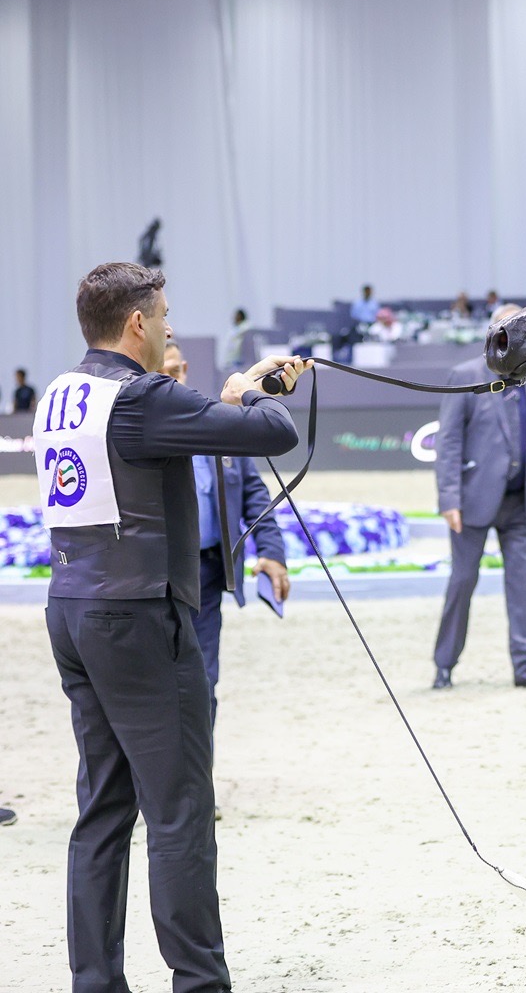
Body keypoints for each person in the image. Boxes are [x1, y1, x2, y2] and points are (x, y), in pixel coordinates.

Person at [38, 261, 309, 993]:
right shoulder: (141, 397)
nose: (167, 330)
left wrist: (224, 396)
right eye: (163, 318)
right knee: (180, 813)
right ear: (136, 323)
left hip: (72, 608)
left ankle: (95, 981)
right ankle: (199, 983)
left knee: (101, 811)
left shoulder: (62, 393)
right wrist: (253, 389)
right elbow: (274, 432)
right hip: (138, 620)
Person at [161, 339, 290, 733]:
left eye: (175, 371)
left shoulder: (213, 420)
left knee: (203, 681)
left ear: (184, 368)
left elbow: (252, 492)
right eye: (162, 373)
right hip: (158, 577)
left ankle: (199, 790)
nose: (171, 379)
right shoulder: (144, 425)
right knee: (159, 688)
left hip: (209, 573)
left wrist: (271, 552)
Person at [432, 304, 526, 691]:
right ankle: (445, 665)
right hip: (473, 501)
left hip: (522, 501)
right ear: (493, 334)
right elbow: (449, 441)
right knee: (463, 581)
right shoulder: (466, 376)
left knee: (522, 586)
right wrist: (449, 499)